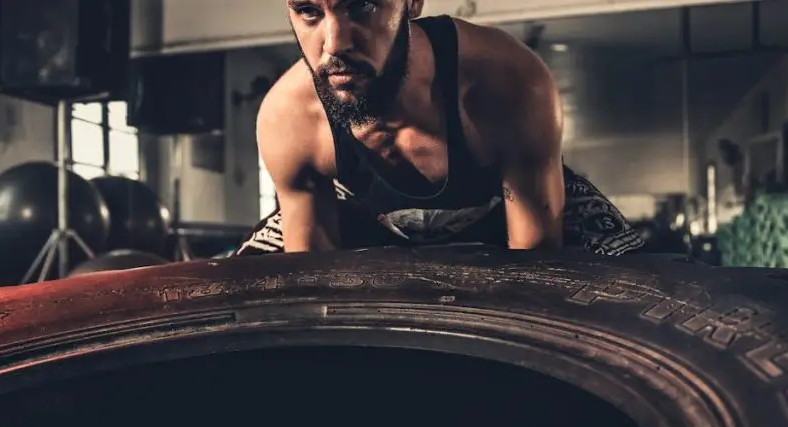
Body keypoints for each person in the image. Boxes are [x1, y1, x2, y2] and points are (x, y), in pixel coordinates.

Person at [236, 0, 644, 256]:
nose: (335, 44)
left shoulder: (508, 80)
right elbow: (313, 288)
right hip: (362, 216)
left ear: (411, 3)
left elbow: (535, 265)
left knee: (628, 280)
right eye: (308, 11)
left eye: (361, 5)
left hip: (500, 209)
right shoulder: (288, 116)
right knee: (261, 286)